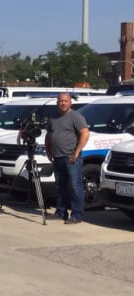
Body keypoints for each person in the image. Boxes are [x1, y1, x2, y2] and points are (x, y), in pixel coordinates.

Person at [45, 93, 90, 224]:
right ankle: (61, 212)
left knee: (75, 186)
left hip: (71, 157)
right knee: (60, 186)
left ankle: (77, 215)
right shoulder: (53, 118)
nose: (62, 103)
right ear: (57, 102)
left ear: (70, 102)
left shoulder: (75, 116)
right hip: (57, 157)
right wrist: (48, 150)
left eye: (65, 101)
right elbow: (49, 135)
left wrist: (76, 152)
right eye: (60, 101)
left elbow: (85, 133)